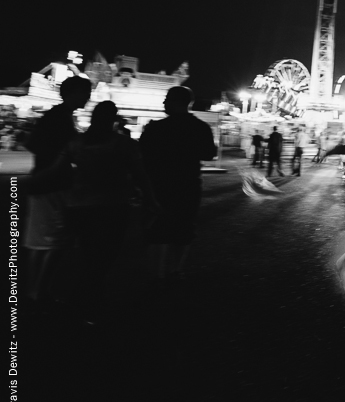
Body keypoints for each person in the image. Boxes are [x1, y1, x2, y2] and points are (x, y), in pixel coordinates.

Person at [36, 101, 158, 322]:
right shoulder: (124, 144)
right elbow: (141, 175)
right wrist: (151, 199)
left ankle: (84, 301)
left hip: (79, 207)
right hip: (112, 207)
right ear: (113, 119)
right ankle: (88, 302)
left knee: (87, 254)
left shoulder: (76, 142)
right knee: (104, 257)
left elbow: (56, 170)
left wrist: (31, 182)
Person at [23, 75, 92, 305]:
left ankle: (36, 290)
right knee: (55, 241)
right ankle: (40, 292)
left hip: (42, 182)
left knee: (39, 240)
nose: (88, 97)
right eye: (85, 93)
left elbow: (31, 144)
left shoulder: (54, 116)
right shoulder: (61, 118)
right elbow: (71, 153)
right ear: (72, 93)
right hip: (54, 185)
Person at [139, 86, 218, 282]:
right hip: (188, 185)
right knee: (183, 229)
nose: (164, 103)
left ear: (175, 101)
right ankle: (176, 270)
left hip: (159, 186)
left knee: (157, 231)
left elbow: (142, 156)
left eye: (167, 99)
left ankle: (155, 275)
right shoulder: (200, 127)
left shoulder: (156, 128)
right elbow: (209, 153)